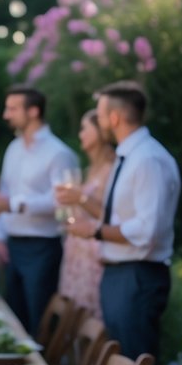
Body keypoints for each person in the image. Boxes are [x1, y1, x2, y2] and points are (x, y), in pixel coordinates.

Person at [66, 80, 180, 365]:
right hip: (119, 273)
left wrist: (93, 231)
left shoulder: (147, 160)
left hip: (138, 276)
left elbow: (146, 230)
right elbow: (118, 214)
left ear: (114, 118)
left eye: (101, 114)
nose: (100, 120)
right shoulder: (127, 157)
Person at [0, 85, 79, 338]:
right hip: (13, 245)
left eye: (13, 108)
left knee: (40, 320)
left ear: (34, 111)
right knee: (14, 318)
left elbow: (61, 203)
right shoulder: (14, 149)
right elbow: (3, 193)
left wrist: (16, 204)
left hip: (43, 247)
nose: (6, 115)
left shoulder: (58, 153)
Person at [55, 109, 116, 318]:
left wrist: (80, 198)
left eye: (84, 129)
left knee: (91, 315)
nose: (80, 134)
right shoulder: (89, 169)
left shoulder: (111, 168)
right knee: (72, 316)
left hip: (94, 251)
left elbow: (110, 214)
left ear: (99, 132)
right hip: (76, 250)